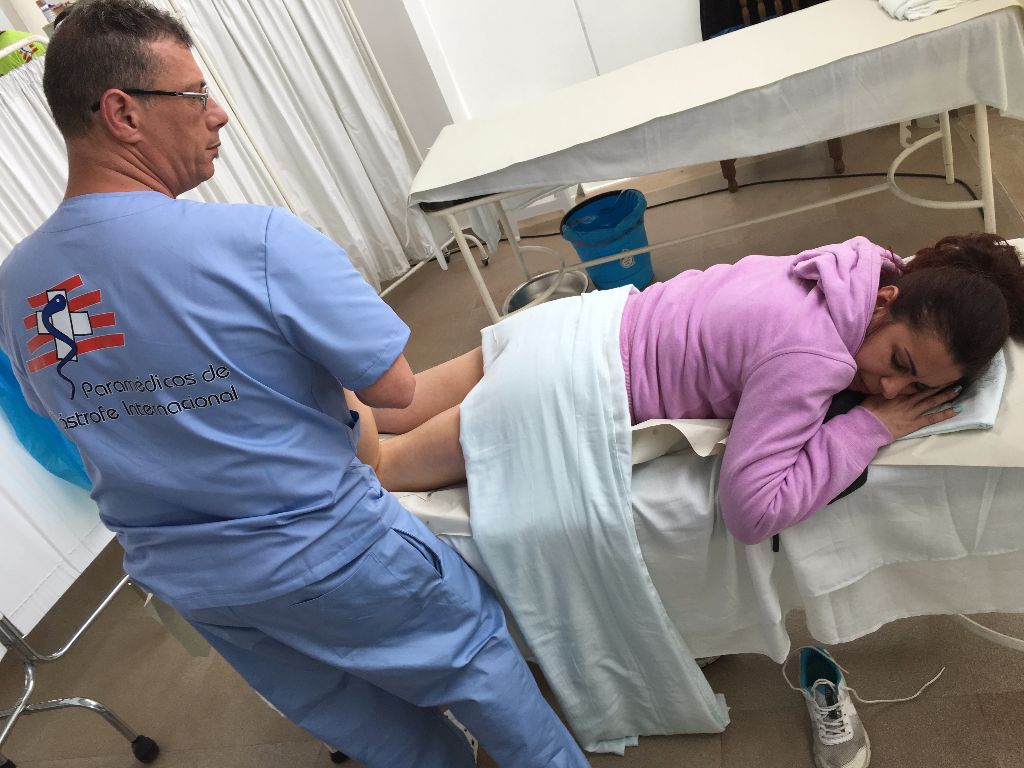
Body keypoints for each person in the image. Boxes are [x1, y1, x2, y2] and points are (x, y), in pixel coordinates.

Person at [0, 2, 589, 766]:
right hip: (328, 553)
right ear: (123, 113)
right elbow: (394, 390)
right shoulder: (257, 242)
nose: (218, 114)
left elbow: (71, 415)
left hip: (200, 587)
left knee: (377, 732)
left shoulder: (17, 288)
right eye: (194, 95)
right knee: (476, 666)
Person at [353, 232, 1024, 543]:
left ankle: (304, 401)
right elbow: (751, 512)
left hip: (573, 324)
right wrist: (867, 427)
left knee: (382, 407)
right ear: (884, 302)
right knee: (381, 465)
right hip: (562, 385)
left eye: (915, 386)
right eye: (898, 361)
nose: (888, 386)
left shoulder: (850, 263)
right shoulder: (813, 355)